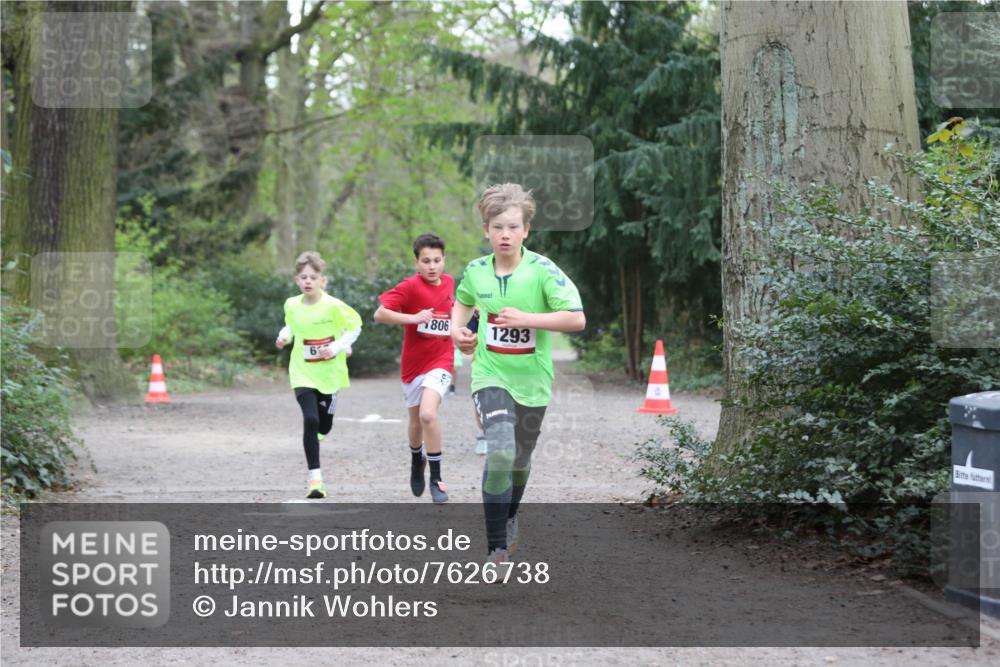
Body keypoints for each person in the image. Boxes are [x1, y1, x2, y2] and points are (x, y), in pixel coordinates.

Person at [451, 183, 585, 564]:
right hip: (490, 374)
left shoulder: (543, 271)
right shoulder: (476, 272)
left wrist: (528, 319)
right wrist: (457, 333)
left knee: (520, 460)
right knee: (500, 450)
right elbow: (461, 304)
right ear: (486, 230)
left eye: (512, 226)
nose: (504, 234)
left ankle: (509, 517)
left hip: (533, 381)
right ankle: (495, 549)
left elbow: (576, 318)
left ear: (526, 230)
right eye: (497, 227)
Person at [374, 233, 455, 504]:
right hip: (413, 365)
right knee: (415, 422)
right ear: (417, 263)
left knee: (428, 415)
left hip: (442, 360)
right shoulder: (410, 287)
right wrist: (413, 317)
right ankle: (415, 458)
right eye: (426, 261)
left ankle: (437, 479)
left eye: (437, 260)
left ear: (444, 260)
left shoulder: (450, 283)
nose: (432, 266)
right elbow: (380, 314)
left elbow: (454, 311)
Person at [275, 251, 362, 499]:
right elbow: (292, 324)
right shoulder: (291, 304)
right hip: (302, 370)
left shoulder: (333, 305)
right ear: (296, 280)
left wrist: (336, 347)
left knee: (324, 424)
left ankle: (322, 430)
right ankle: (316, 479)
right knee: (311, 420)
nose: (308, 281)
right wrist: (284, 336)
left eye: (313, 277)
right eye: (303, 277)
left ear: (322, 280)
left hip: (329, 372)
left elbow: (355, 326)